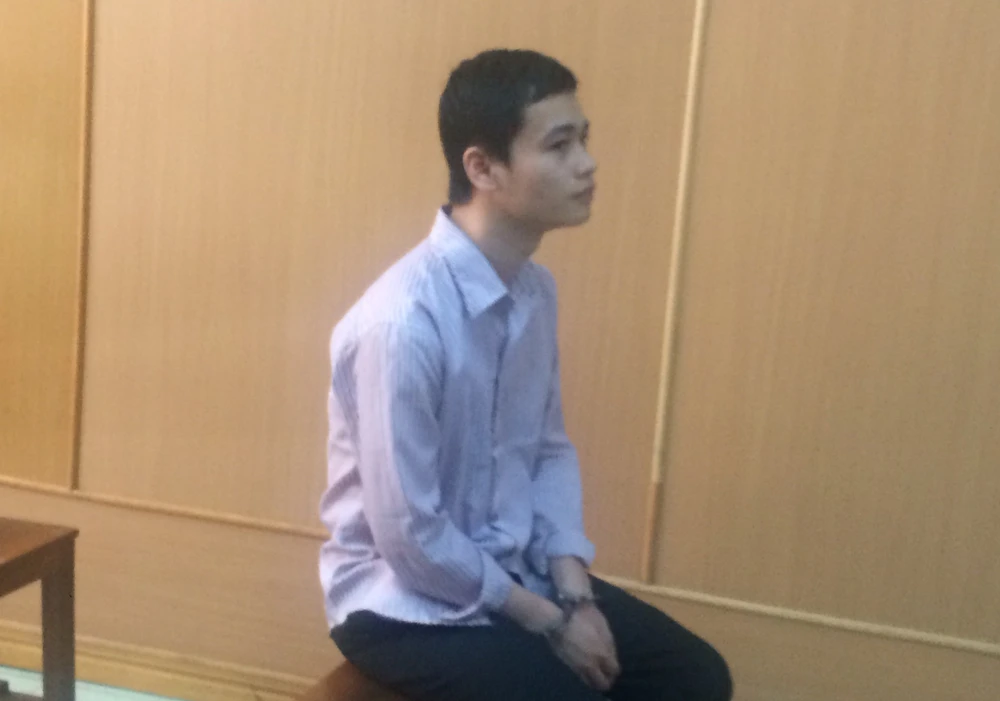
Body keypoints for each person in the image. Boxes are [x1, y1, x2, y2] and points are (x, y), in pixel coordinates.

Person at [318, 48, 732, 701]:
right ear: (482, 168)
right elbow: (410, 536)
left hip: (514, 570)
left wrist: (575, 593)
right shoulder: (402, 324)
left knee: (697, 677)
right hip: (403, 601)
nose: (587, 164)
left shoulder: (535, 291)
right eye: (560, 145)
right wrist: (550, 621)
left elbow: (546, 451)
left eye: (584, 140)